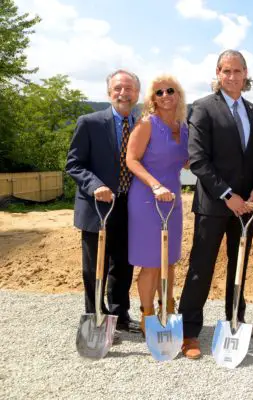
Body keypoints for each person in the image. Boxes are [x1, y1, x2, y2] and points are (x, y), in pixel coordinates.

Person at [178, 50, 253, 359]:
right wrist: (228, 196)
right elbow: (198, 160)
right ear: (218, 73)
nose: (231, 76)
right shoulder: (202, 109)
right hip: (215, 205)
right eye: (225, 71)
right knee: (201, 268)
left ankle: (235, 320)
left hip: (247, 207)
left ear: (245, 73)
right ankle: (189, 332)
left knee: (239, 264)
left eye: (237, 70)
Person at [65, 69, 142, 338]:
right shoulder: (89, 122)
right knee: (94, 267)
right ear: (109, 92)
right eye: (118, 88)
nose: (123, 93)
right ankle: (96, 317)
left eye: (129, 88)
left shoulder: (142, 124)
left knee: (123, 264)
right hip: (97, 206)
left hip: (129, 205)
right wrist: (95, 185)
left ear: (137, 93)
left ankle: (119, 316)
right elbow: (74, 164)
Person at [125, 74, 189, 336]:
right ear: (152, 98)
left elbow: (185, 161)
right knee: (151, 262)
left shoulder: (183, 126)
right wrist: (155, 185)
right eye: (158, 92)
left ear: (179, 95)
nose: (165, 96)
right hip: (146, 198)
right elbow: (132, 159)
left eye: (170, 90)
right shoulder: (146, 124)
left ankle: (168, 309)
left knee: (170, 260)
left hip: (172, 199)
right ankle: (147, 315)